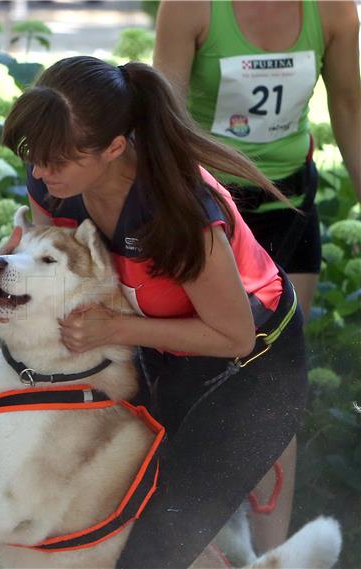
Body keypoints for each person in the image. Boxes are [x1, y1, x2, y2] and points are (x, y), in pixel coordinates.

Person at [0, 56, 307, 568]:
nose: (42, 173)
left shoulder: (177, 209)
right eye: (35, 156)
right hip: (173, 358)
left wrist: (115, 327)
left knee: (155, 549)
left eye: (57, 159)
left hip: (254, 370)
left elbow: (234, 338)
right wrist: (10, 280)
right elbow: (67, 275)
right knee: (120, 520)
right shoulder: (57, 184)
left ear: (115, 148)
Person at [153, 0, 360, 552]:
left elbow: (349, 108)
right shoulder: (190, 9)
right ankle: (193, 539)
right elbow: (160, 122)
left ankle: (273, 553)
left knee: (275, 378)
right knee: (201, 373)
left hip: (289, 205)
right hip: (211, 211)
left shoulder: (335, 12)